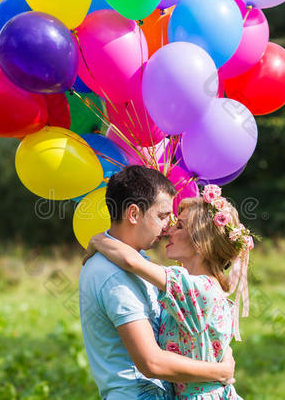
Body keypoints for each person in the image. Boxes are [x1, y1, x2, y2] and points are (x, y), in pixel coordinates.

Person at [79, 166, 236, 400]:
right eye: (162, 216)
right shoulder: (114, 274)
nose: (167, 228)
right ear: (133, 214)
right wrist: (220, 371)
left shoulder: (144, 266)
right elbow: (151, 362)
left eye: (176, 222)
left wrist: (99, 239)